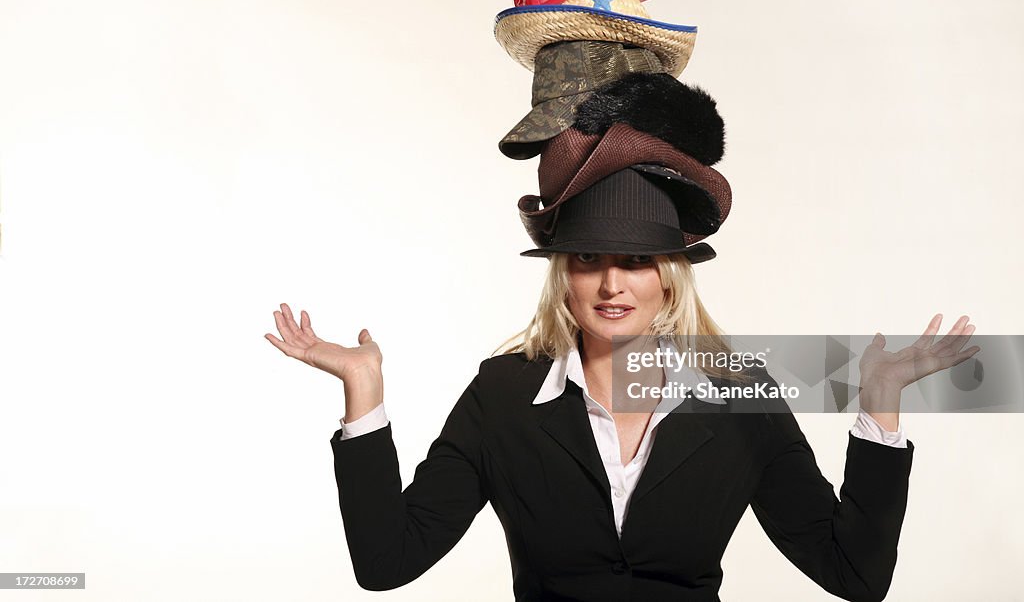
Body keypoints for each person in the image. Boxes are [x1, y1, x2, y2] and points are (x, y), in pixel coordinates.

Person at [265, 167, 979, 602]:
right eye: (587, 257)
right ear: (562, 272)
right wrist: (364, 388)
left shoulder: (738, 397)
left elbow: (856, 572)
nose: (611, 282)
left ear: (669, 274)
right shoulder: (503, 397)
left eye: (636, 259)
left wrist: (880, 396)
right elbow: (387, 560)